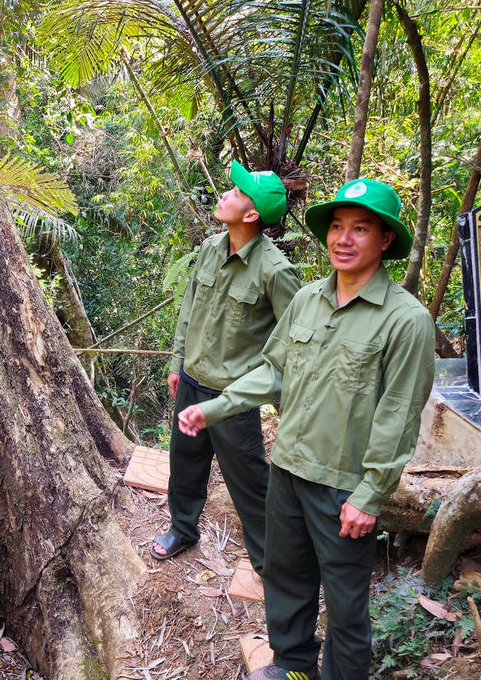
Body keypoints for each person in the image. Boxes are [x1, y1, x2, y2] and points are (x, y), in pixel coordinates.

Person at [178, 178, 435, 680]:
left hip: (343, 484)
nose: (344, 238)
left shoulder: (407, 320)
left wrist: (371, 492)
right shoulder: (309, 299)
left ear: (385, 241)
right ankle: (294, 666)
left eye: (360, 229)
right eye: (337, 227)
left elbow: (400, 412)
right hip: (289, 469)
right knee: (286, 577)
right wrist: (214, 408)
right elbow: (273, 370)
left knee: (344, 604)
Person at [151, 161, 301, 572]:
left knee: (250, 483)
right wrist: (177, 361)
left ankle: (273, 562)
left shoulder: (275, 269)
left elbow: (293, 339)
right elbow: (189, 309)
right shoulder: (210, 249)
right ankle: (182, 528)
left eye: (236, 194)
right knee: (185, 462)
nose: (225, 195)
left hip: (233, 398)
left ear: (252, 215)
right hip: (192, 382)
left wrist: (272, 390)